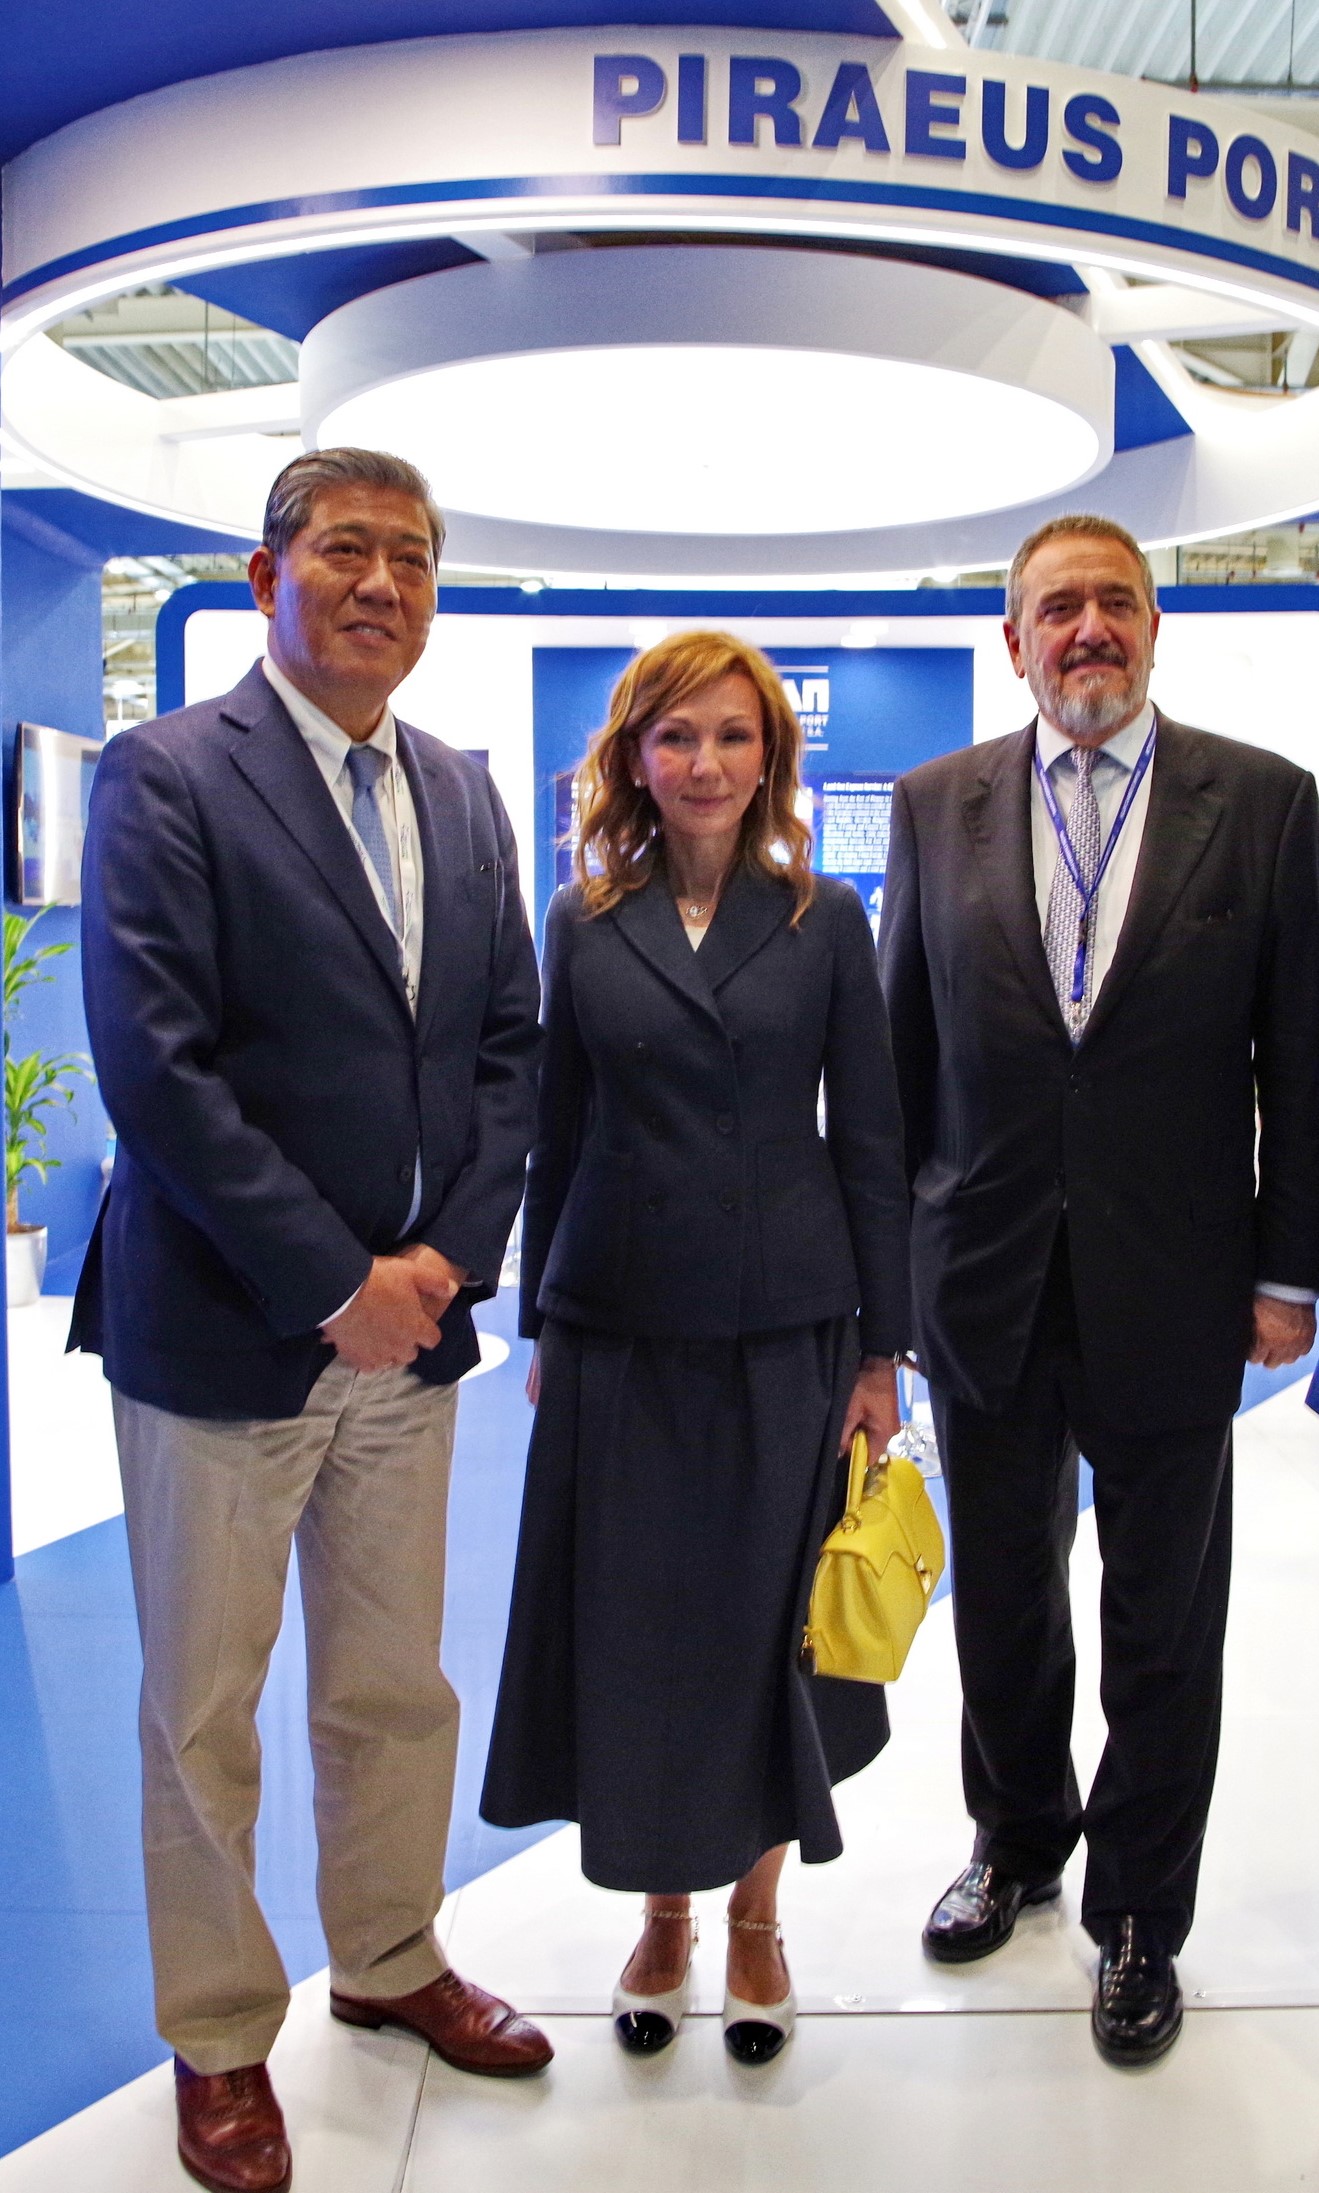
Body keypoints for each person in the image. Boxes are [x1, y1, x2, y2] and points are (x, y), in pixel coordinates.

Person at [72, 448, 548, 2193]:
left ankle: (392, 1953)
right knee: (205, 1708)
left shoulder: (464, 792)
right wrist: (336, 1280)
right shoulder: (169, 774)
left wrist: (441, 1265)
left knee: (392, 1680)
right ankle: (217, 2036)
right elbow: (159, 1067)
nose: (382, 584)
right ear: (267, 575)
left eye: (412, 557)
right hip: (226, 1336)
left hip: (412, 1341)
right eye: (346, 549)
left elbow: (510, 1047)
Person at [879, 514, 1319, 2068]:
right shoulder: (936, 804)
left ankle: (1140, 1914)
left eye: (1115, 602)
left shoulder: (1262, 804)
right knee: (1002, 1595)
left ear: (1153, 625)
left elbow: (1302, 1059)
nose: (1089, 629)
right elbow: (902, 1056)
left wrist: (1290, 1269)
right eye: (1058, 606)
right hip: (982, 1276)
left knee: (1163, 1617)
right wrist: (890, 1280)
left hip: (1179, 1282)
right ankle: (1016, 1841)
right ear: (1013, 639)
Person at [480, 631, 911, 2066]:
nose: (706, 763)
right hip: (620, 1327)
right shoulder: (582, 918)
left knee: (763, 1627)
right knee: (640, 1629)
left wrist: (883, 1353)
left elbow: (872, 1142)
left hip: (788, 1328)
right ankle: (662, 1913)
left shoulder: (824, 919)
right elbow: (557, 1132)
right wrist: (543, 1320)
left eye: (732, 735)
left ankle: (755, 1917)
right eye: (677, 736)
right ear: (635, 757)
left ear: (770, 754)